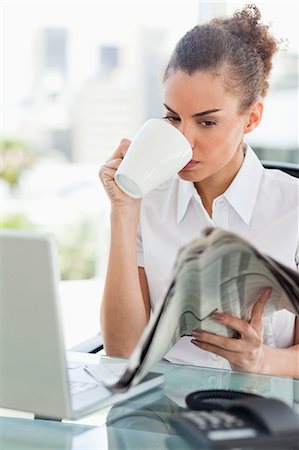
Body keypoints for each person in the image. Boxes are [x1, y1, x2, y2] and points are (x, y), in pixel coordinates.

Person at [99, 4, 299, 378]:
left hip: (268, 419)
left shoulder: (294, 208)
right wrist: (123, 211)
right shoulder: (147, 203)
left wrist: (262, 361)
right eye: (173, 117)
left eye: (206, 122)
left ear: (251, 117)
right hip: (164, 417)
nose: (184, 141)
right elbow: (121, 350)